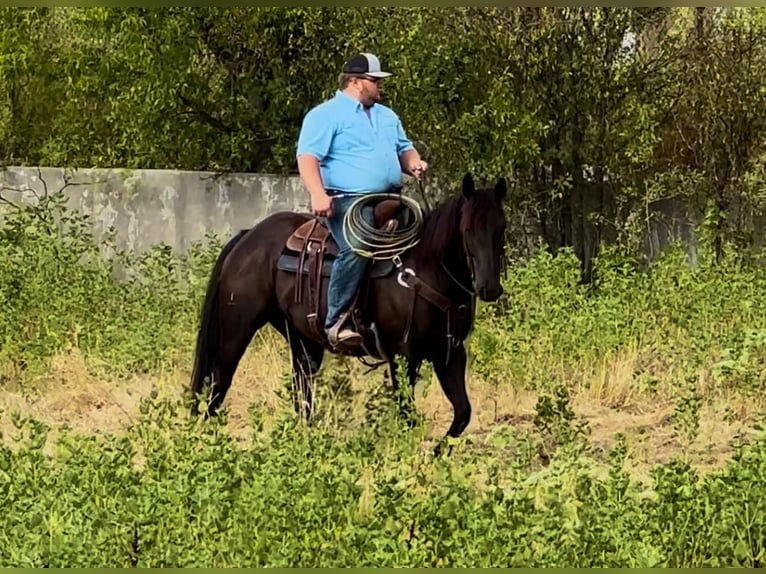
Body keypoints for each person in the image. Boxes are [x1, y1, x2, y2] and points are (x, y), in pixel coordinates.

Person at [296, 52, 428, 347]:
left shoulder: (388, 116)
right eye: (375, 80)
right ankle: (336, 321)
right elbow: (307, 158)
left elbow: (405, 149)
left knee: (428, 238)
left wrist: (414, 162)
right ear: (355, 82)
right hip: (347, 201)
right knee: (358, 246)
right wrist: (318, 193)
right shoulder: (325, 115)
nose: (380, 86)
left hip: (392, 198)